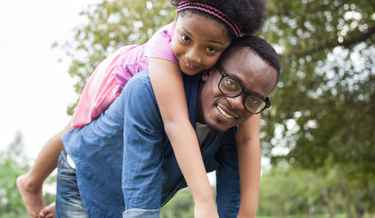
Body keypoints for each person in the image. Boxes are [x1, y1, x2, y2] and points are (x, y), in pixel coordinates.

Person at [16, 0, 266, 218]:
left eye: (210, 49)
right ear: (175, 22)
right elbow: (176, 123)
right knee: (76, 129)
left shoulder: (236, 82)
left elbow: (248, 139)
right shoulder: (163, 53)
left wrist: (247, 212)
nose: (192, 56)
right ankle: (32, 181)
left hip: (115, 156)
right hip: (114, 79)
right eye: (186, 39)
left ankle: (82, 196)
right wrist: (203, 201)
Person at [56, 35, 281, 217]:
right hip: (85, 177)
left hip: (125, 199)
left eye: (252, 99)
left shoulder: (234, 130)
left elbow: (232, 204)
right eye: (231, 83)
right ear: (208, 71)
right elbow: (141, 194)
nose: (236, 102)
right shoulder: (147, 91)